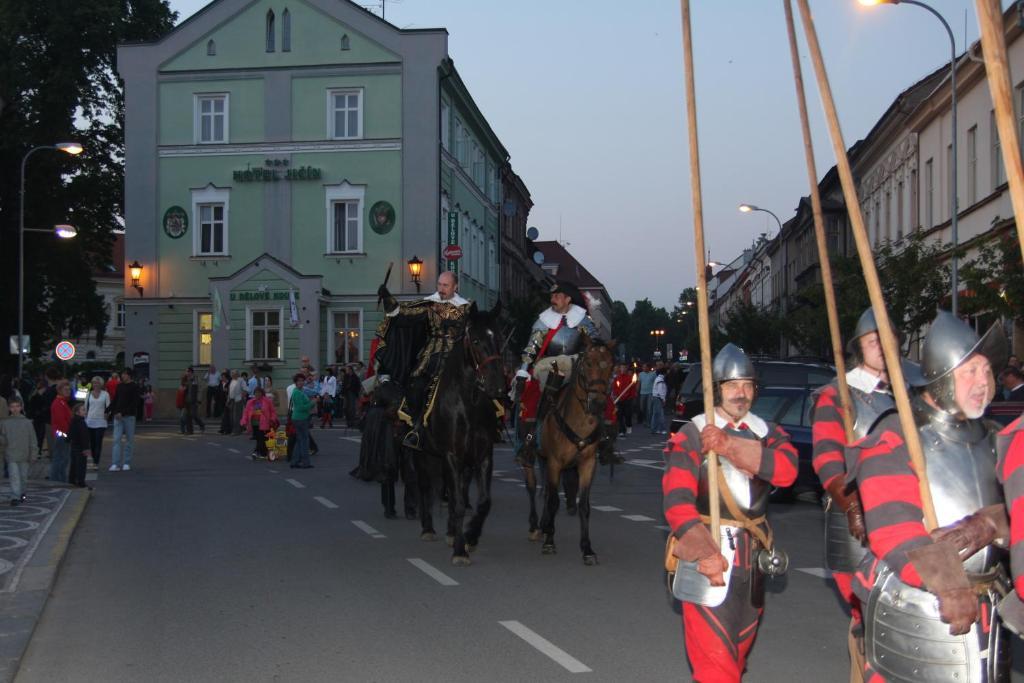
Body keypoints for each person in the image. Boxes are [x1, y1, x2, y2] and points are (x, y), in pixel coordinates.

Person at [851, 311, 1009, 681]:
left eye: (986, 371)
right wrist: (948, 583)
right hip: (922, 601)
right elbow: (893, 528)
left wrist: (990, 522)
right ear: (938, 375)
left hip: (991, 603)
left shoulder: (995, 437)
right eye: (970, 371)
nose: (983, 382)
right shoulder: (896, 433)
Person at [663, 343, 798, 682]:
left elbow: (787, 471)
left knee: (736, 657)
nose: (741, 393)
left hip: (753, 562)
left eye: (748, 385)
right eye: (732, 385)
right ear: (717, 389)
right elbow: (677, 502)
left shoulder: (769, 433)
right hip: (707, 558)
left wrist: (729, 447)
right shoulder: (691, 435)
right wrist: (703, 552)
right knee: (716, 667)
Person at [809, 308, 899, 678]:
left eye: (886, 338)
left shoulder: (910, 390)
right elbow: (827, 458)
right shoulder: (838, 395)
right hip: (859, 517)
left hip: (909, 517)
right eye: (871, 340)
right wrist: (850, 503)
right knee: (870, 618)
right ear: (858, 347)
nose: (881, 346)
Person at [377, 271, 472, 449]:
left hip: (457, 354)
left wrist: (457, 327)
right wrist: (388, 298)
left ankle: (486, 425)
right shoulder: (429, 304)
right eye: (439, 285)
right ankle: (417, 427)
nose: (441, 289)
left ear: (455, 287)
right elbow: (403, 312)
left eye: (445, 285)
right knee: (417, 384)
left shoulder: (466, 307)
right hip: (433, 353)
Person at [514, 281, 602, 461]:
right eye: (552, 296)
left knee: (597, 390)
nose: (552, 299)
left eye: (557, 296)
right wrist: (523, 371)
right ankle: (534, 435)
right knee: (539, 392)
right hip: (550, 364)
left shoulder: (582, 320)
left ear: (568, 299)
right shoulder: (543, 321)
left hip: (577, 363)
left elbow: (594, 346)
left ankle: (603, 437)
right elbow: (531, 348)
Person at [1, 398, 35, 505]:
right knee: (14, 476)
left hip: (24, 454)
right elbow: (3, 439)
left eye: (17, 406)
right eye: (12, 407)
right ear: (9, 408)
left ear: (21, 407)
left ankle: (22, 493)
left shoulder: (27, 423)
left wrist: (33, 453)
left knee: (23, 477)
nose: (15, 409)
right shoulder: (5, 423)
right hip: (11, 453)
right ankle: (15, 496)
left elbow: (32, 439)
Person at [109, 369, 140, 472]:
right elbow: (116, 400)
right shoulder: (119, 386)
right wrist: (108, 410)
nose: (122, 376)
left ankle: (126, 462)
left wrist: (122, 412)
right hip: (118, 416)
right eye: (122, 374)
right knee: (116, 440)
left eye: (124, 374)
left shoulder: (134, 387)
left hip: (129, 416)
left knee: (129, 440)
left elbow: (134, 403)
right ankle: (115, 463)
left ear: (129, 376)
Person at [242, 387, 277, 460]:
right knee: (259, 439)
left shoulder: (267, 401)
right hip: (254, 423)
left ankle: (256, 452)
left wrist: (272, 419)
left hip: (264, 423)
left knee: (261, 438)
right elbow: (246, 412)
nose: (257, 394)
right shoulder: (250, 402)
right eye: (256, 393)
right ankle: (263, 452)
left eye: (259, 392)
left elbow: (273, 411)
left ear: (262, 393)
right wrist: (244, 421)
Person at [83, 376, 110, 470]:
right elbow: (85, 407)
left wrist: (107, 414)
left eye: (97, 383)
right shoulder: (88, 394)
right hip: (90, 421)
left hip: (101, 422)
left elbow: (108, 407)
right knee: (92, 443)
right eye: (94, 383)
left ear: (101, 384)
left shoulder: (105, 394)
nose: (96, 385)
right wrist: (84, 416)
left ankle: (96, 463)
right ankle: (93, 458)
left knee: (98, 443)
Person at [49, 380, 72, 482]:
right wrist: (68, 434)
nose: (68, 391)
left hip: (61, 433)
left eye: (69, 389)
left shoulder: (62, 402)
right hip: (61, 433)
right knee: (61, 457)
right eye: (65, 389)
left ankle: (59, 478)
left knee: (61, 457)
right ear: (59, 390)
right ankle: (58, 479)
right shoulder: (59, 403)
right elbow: (61, 421)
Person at [289, 373, 313, 469]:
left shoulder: (300, 391)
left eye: (302, 380)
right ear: (295, 382)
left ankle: (294, 462)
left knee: (300, 441)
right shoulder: (297, 393)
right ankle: (305, 462)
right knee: (304, 441)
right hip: (300, 418)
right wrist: (312, 403)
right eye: (299, 381)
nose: (301, 382)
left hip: (300, 418)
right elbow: (301, 408)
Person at [67, 401, 91, 488]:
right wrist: (86, 448)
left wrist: (68, 439)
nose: (85, 411)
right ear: (77, 412)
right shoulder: (81, 422)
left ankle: (72, 480)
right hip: (81, 447)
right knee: (81, 465)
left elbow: (70, 433)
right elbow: (84, 436)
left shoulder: (73, 421)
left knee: (74, 464)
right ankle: (81, 482)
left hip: (74, 445)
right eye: (83, 410)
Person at [612, 365, 636, 436]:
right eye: (621, 367)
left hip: (628, 399)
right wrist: (616, 396)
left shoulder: (630, 378)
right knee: (619, 415)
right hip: (619, 399)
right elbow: (615, 388)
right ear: (620, 369)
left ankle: (628, 425)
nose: (623, 369)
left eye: (624, 368)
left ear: (626, 369)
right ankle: (621, 431)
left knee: (628, 415)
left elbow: (632, 389)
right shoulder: (617, 378)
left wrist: (631, 397)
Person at [27, 380, 48, 456]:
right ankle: (37, 451)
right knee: (39, 436)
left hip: (38, 419)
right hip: (39, 419)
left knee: (38, 436)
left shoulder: (34, 397)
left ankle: (37, 451)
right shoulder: (38, 397)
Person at [183, 366, 205, 434]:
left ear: (190, 372)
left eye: (187, 371)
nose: (186, 373)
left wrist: (199, 399)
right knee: (187, 416)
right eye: (186, 371)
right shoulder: (186, 379)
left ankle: (202, 425)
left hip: (194, 400)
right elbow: (183, 388)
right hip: (187, 400)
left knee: (194, 415)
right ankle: (189, 430)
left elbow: (200, 389)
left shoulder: (196, 379)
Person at [649, 368, 667, 435]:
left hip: (655, 397)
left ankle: (654, 429)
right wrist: (663, 399)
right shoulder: (660, 380)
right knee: (660, 414)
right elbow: (661, 391)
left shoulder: (657, 379)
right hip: (658, 398)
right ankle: (662, 429)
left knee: (655, 414)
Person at [228, 370, 244, 435]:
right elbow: (230, 391)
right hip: (231, 400)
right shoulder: (232, 381)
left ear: (237, 374)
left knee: (236, 417)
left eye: (233, 374)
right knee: (232, 416)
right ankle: (240, 428)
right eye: (231, 373)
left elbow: (245, 389)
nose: (232, 375)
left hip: (238, 400)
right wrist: (228, 400)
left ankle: (236, 431)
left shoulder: (241, 381)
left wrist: (242, 397)